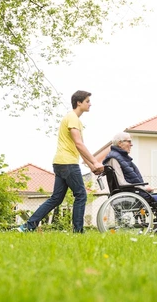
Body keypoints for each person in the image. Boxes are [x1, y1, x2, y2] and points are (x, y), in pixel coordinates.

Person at [19, 91, 104, 233]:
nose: (90, 104)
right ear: (79, 102)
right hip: (68, 163)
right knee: (81, 195)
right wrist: (96, 162)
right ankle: (78, 231)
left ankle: (28, 226)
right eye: (88, 101)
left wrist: (91, 166)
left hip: (60, 162)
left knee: (56, 198)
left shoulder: (73, 119)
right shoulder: (73, 118)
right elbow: (78, 143)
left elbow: (79, 148)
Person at [103, 132, 157, 217]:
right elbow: (121, 183)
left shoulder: (120, 158)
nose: (131, 144)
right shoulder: (114, 159)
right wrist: (143, 188)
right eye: (129, 141)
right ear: (120, 143)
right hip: (134, 195)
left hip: (134, 193)